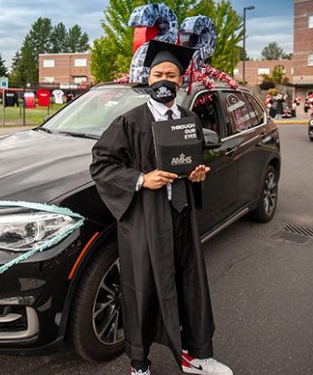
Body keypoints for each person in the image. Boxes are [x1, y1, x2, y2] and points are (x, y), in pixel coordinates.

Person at [90, 40, 232, 375]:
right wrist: (141, 179)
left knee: (190, 285)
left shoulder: (188, 119)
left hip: (181, 216)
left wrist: (198, 175)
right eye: (158, 73)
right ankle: (139, 364)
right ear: (148, 78)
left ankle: (197, 354)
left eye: (171, 74)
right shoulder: (130, 122)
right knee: (143, 289)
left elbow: (193, 163)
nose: (164, 79)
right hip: (145, 220)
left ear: (181, 80)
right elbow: (102, 164)